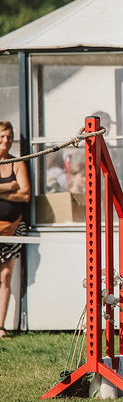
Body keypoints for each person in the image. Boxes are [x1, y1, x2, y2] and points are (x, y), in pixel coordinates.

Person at [0, 121, 29, 339]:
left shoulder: (17, 162)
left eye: (9, 137)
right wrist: (10, 187)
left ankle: (0, 326)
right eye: (2, 136)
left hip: (13, 227)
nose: (6, 141)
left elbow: (25, 194)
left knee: (6, 275)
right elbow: (17, 190)